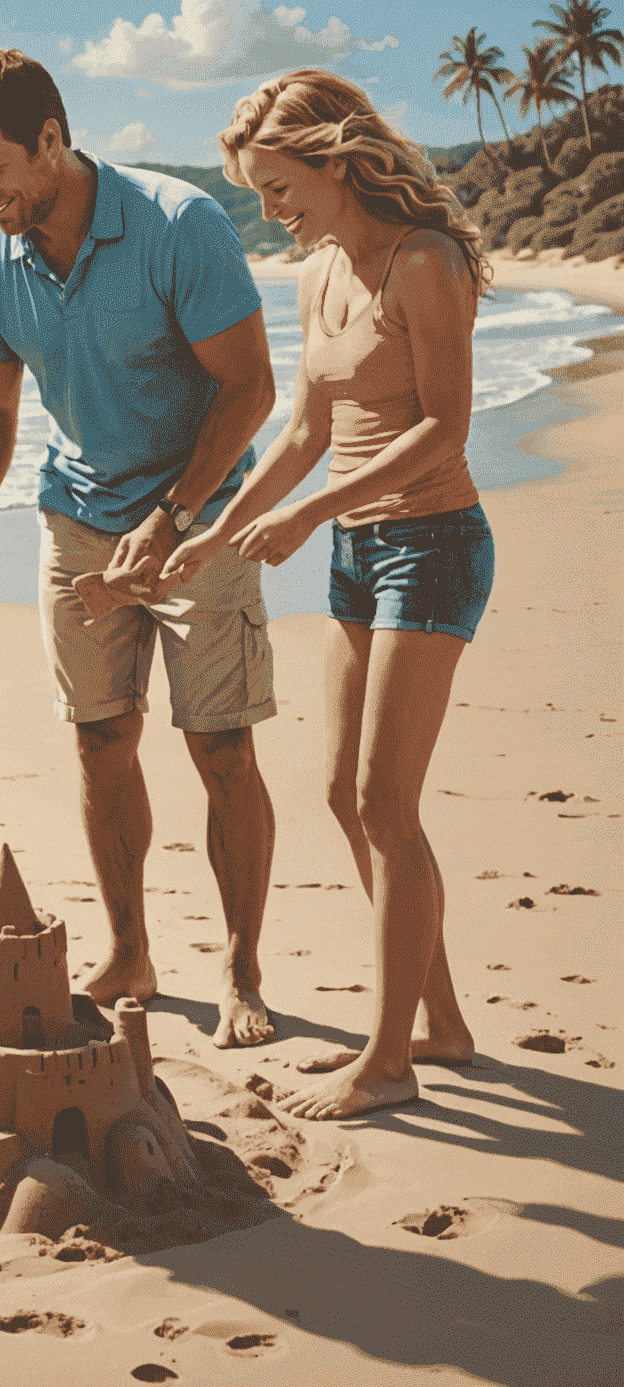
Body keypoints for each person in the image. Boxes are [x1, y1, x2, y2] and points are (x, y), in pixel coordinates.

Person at [0, 48, 279, 1047]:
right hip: (76, 518)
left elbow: (249, 388)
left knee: (218, 744)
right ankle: (132, 949)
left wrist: (169, 521)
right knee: (99, 735)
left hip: (199, 519)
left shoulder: (176, 225)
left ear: (51, 139)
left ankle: (243, 970)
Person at [163, 67, 492, 1119]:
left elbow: (445, 425)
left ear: (336, 159)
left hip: (432, 545)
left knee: (386, 803)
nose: (270, 208)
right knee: (344, 799)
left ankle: (389, 1059)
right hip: (357, 550)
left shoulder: (425, 262)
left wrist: (306, 515)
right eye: (256, 190)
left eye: (278, 185)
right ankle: (437, 1023)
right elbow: (304, 432)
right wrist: (210, 528)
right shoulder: (316, 276)